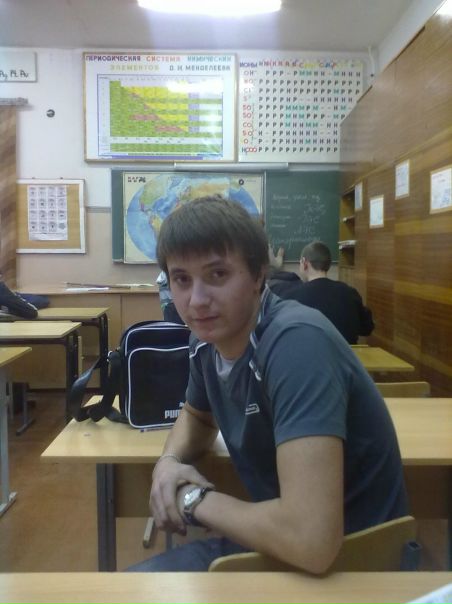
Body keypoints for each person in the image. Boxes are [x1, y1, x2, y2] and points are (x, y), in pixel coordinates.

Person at [129, 196, 407, 573]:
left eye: (217, 274)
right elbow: (196, 416)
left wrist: (192, 499)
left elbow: (311, 542)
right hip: (281, 541)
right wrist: (168, 463)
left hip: (357, 564)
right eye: (181, 279)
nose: (196, 300)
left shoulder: (297, 343)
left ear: (259, 275)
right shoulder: (205, 343)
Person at [269, 241, 375, 344]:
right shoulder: (350, 293)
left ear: (305, 263)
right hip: (345, 354)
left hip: (308, 354)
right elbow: (367, 328)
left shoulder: (291, 297)